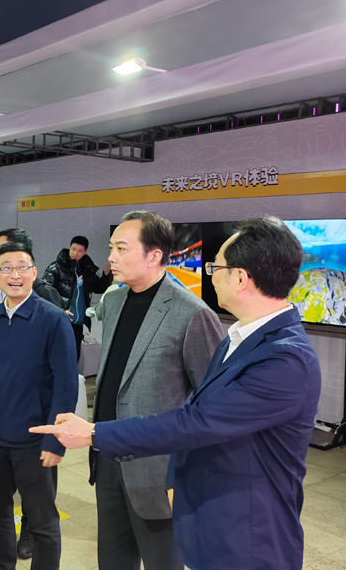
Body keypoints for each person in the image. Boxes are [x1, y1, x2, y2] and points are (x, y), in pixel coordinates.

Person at [32, 216, 321, 570]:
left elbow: (196, 421)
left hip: (248, 532)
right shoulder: (240, 339)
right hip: (206, 511)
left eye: (216, 267)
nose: (210, 274)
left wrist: (94, 433)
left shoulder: (285, 359)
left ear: (240, 278)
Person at [92, 211, 223, 570]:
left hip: (159, 470)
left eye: (121, 249)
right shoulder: (113, 302)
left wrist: (192, 476)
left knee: (163, 562)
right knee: (112, 561)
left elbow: (213, 405)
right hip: (107, 456)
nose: (111, 257)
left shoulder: (192, 313)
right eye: (111, 248)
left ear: (154, 256)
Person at [0, 242, 78, 570]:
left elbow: (66, 387)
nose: (15, 275)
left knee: (41, 519)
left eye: (22, 267)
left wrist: (56, 439)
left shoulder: (53, 319)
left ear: (34, 273)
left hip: (34, 440)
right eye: (6, 268)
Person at [43, 235, 113, 362]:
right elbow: (46, 292)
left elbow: (98, 288)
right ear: (69, 248)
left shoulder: (86, 268)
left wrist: (106, 276)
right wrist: (60, 310)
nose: (75, 253)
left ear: (85, 252)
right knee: (58, 355)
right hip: (61, 319)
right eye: (73, 249)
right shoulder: (56, 267)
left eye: (80, 251)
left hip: (78, 320)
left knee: (74, 356)